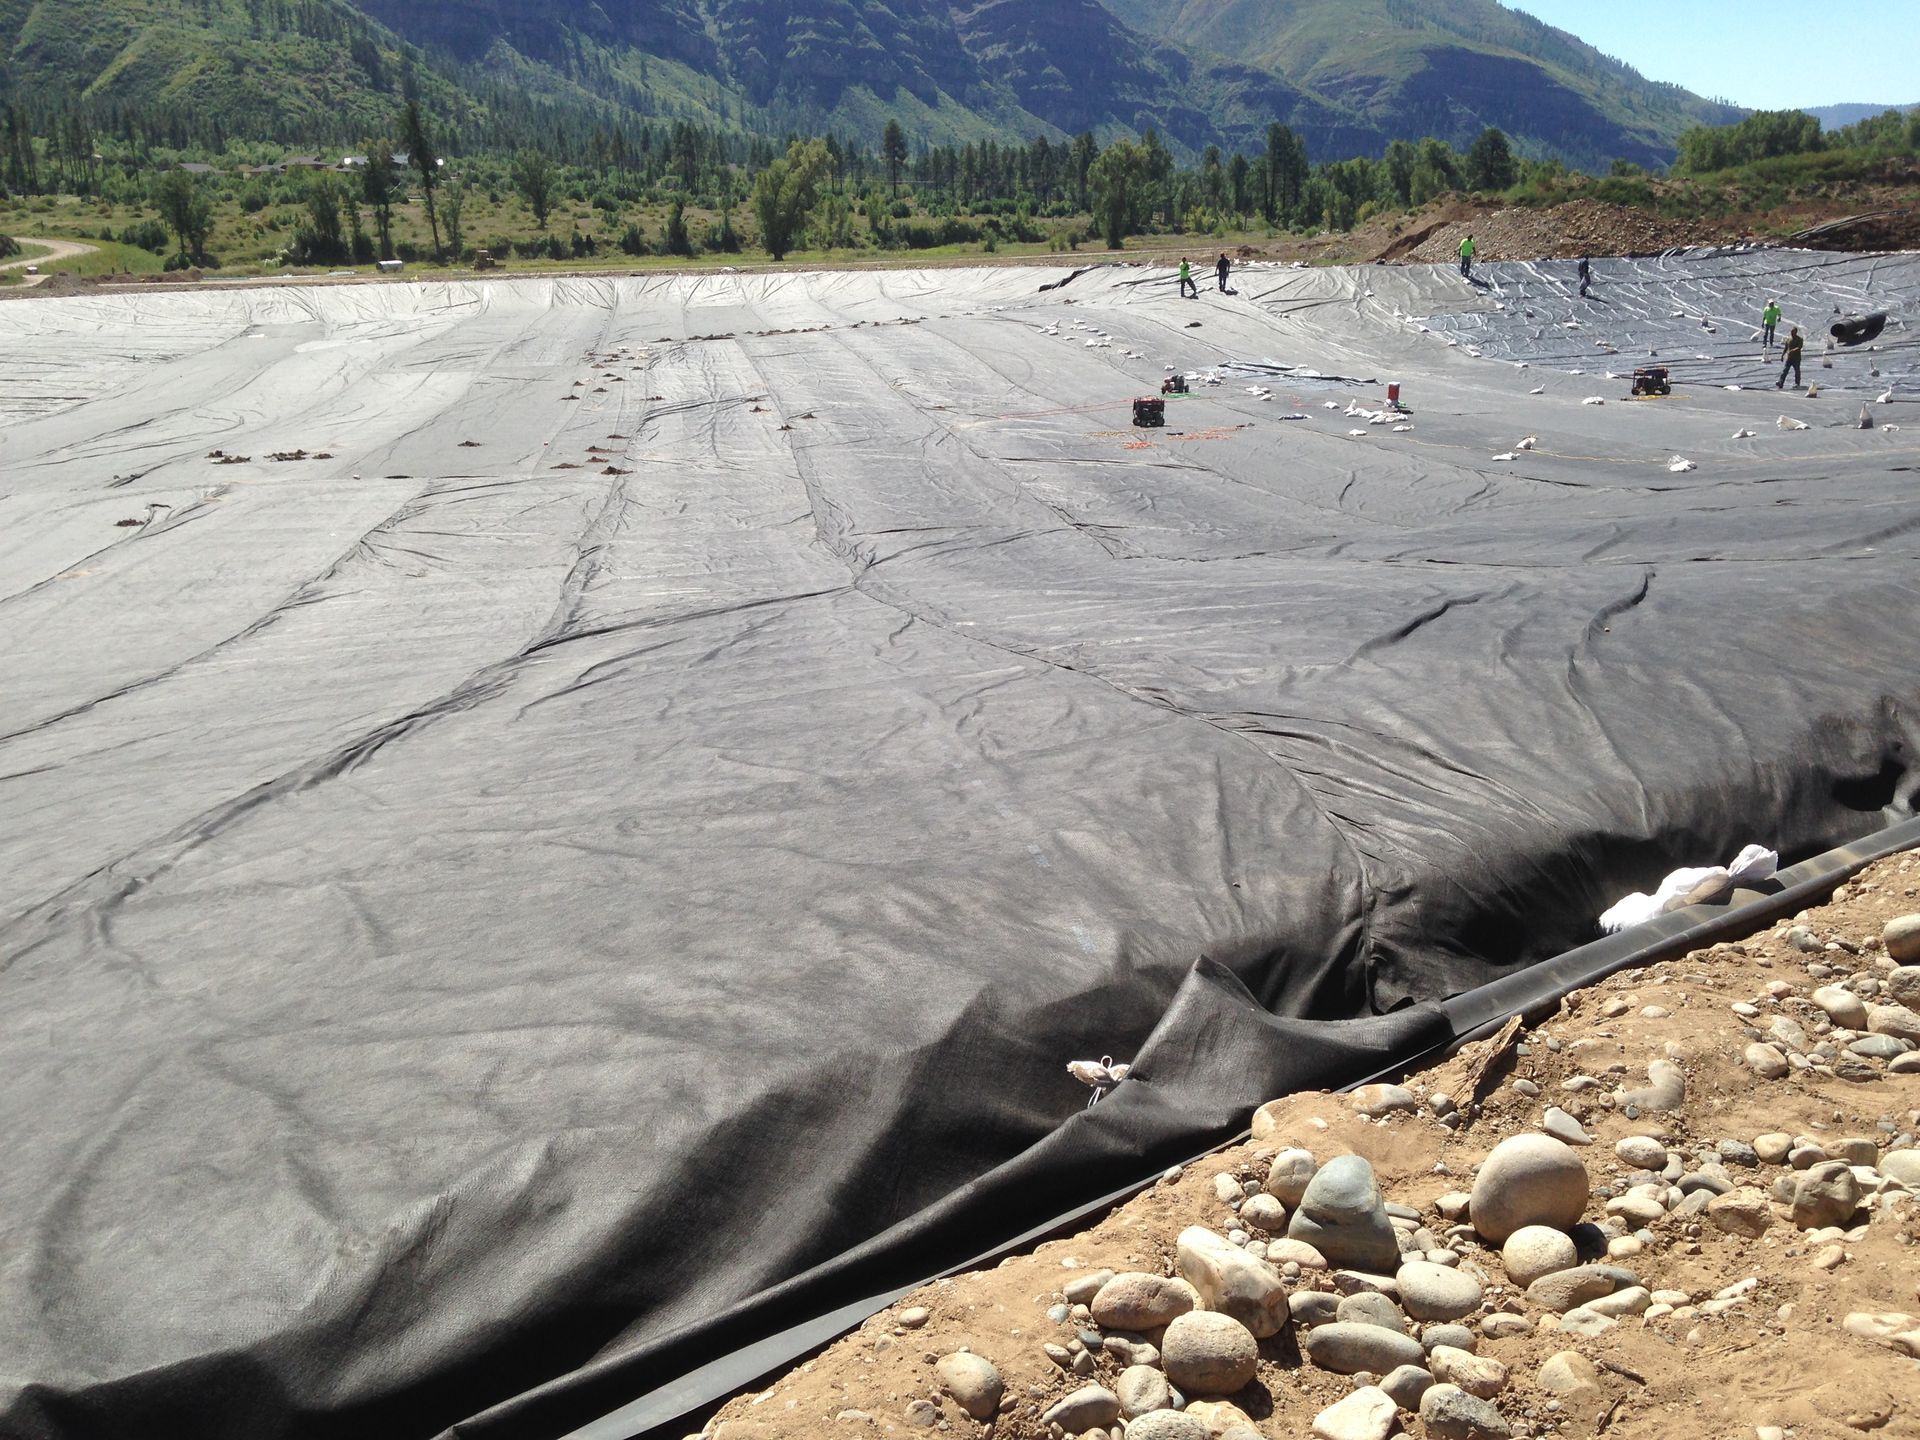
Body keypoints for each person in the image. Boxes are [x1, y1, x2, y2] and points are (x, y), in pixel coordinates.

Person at [1776, 325, 1804, 390]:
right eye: (1791, 331)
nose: (1791, 333)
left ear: (1796, 332)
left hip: (1796, 358)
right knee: (1785, 371)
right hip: (1789, 358)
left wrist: (1793, 350)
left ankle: (1797, 383)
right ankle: (1781, 382)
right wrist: (1782, 355)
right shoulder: (1788, 339)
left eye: (1793, 332)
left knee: (1797, 371)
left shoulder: (1799, 339)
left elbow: (1799, 347)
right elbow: (1786, 348)